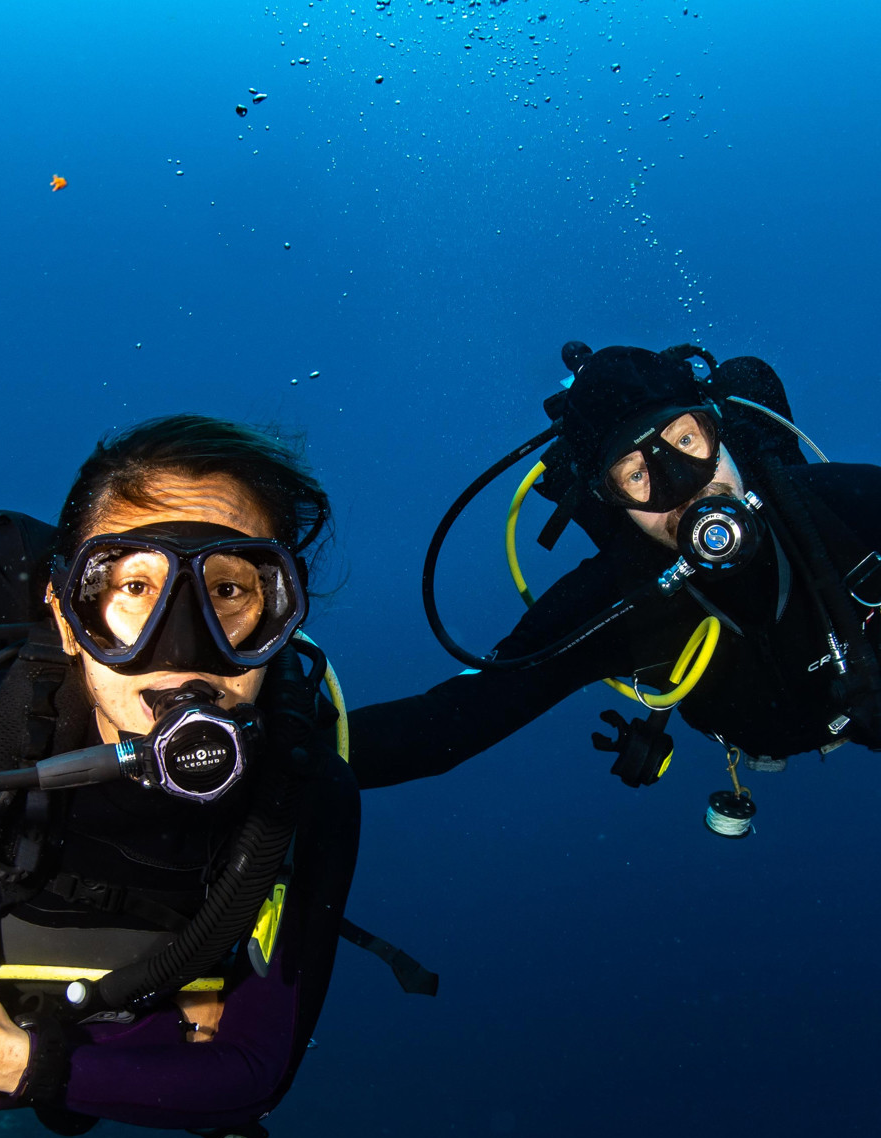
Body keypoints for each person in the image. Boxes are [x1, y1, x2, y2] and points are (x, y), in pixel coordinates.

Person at [0, 416, 360, 1138]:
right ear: (68, 618)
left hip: (48, 1025)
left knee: (72, 1108)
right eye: (134, 586)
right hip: (55, 997)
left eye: (230, 588)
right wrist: (161, 1058)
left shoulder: (309, 791)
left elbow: (257, 1079)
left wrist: (19, 1062)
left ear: (281, 620)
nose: (184, 649)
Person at [348, 342, 881, 831]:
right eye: (636, 475)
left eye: (686, 440)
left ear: (717, 428)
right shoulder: (619, 601)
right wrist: (285, 737)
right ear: (612, 499)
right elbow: (444, 727)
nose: (682, 486)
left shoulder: (846, 509)